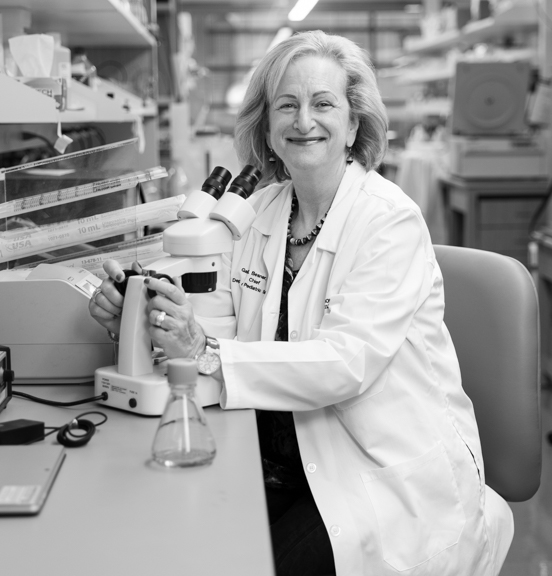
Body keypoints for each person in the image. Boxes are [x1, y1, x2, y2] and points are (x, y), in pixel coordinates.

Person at [89, 30, 513, 576]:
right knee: (172, 544)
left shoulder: (389, 222)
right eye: (286, 105)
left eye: (323, 104)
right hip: (275, 462)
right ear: (266, 125)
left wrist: (206, 349)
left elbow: (344, 364)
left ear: (354, 124)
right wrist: (138, 314)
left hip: (375, 476)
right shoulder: (257, 213)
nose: (303, 121)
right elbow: (204, 328)